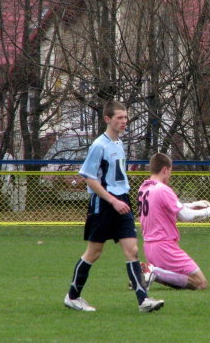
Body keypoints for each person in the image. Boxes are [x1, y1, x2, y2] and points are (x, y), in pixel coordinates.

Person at [64, 100, 164, 313]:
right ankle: (72, 297)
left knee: (133, 250)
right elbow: (90, 180)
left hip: (122, 202)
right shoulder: (99, 145)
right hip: (104, 204)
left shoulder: (119, 144)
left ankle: (143, 301)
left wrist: (123, 199)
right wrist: (113, 200)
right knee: (94, 252)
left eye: (126, 117)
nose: (124, 121)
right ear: (107, 119)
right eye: (119, 118)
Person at [136, 153, 210, 290]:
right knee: (200, 283)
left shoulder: (144, 188)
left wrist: (193, 204)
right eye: (170, 171)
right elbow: (186, 216)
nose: (170, 174)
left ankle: (151, 272)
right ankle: (153, 272)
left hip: (149, 247)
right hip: (164, 246)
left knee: (178, 279)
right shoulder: (163, 189)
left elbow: (165, 206)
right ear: (164, 169)